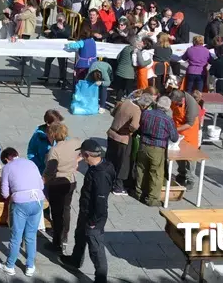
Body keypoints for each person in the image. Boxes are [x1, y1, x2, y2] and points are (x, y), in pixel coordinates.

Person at [60, 140, 115, 283]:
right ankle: (75, 260)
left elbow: (100, 202)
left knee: (96, 249)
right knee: (79, 235)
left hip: (94, 217)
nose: (81, 157)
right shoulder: (99, 165)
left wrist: (93, 222)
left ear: (87, 155)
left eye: (81, 154)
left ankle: (100, 278)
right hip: (86, 211)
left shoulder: (100, 175)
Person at [0, 147, 44, 277]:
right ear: (17, 154)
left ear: (6, 159)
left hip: (21, 202)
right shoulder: (31, 163)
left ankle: (10, 265)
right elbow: (41, 185)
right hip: (38, 200)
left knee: (16, 236)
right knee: (31, 235)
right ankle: (30, 266)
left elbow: (5, 193)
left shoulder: (7, 167)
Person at [43, 123, 82, 256]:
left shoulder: (54, 151)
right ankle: (64, 238)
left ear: (52, 135)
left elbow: (49, 172)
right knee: (66, 209)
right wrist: (76, 161)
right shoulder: (76, 142)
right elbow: (83, 152)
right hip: (71, 182)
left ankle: (57, 243)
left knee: (57, 213)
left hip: (57, 184)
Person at [134, 97, 179, 206]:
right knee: (156, 173)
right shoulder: (168, 120)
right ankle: (152, 199)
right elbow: (174, 138)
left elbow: (139, 128)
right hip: (157, 148)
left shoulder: (146, 114)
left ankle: (139, 193)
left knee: (141, 169)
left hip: (143, 145)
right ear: (167, 108)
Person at [106, 92, 150, 195]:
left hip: (112, 133)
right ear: (144, 105)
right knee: (123, 164)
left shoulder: (126, 102)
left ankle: (108, 181)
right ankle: (118, 187)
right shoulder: (137, 110)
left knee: (111, 160)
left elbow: (113, 112)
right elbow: (134, 126)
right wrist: (130, 131)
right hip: (123, 138)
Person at [170, 90, 202, 188]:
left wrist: (175, 130)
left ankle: (190, 179)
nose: (175, 104)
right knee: (178, 155)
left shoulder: (191, 105)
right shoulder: (176, 97)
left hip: (189, 131)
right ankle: (181, 174)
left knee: (190, 156)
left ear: (182, 99)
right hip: (178, 127)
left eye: (177, 103)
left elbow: (189, 124)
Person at [26, 109, 64, 174]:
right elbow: (31, 151)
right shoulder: (38, 136)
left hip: (58, 171)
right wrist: (38, 166)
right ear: (48, 123)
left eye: (59, 123)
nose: (59, 126)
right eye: (56, 123)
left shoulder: (61, 132)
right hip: (43, 171)